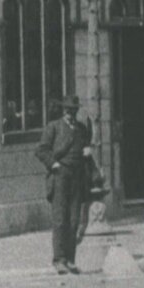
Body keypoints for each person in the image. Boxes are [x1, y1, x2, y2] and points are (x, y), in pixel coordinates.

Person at [35, 93, 91, 273]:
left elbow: (85, 148)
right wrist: (53, 163)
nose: (70, 114)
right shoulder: (53, 127)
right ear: (63, 110)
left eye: (73, 110)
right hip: (60, 176)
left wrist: (86, 151)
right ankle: (59, 259)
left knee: (74, 219)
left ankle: (70, 259)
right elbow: (41, 150)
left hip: (77, 177)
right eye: (67, 110)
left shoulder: (82, 129)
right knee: (60, 219)